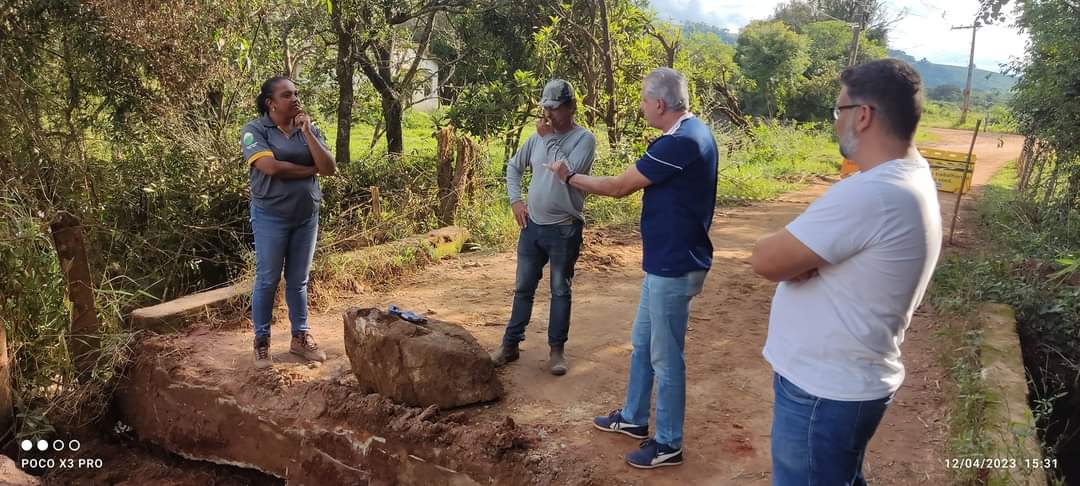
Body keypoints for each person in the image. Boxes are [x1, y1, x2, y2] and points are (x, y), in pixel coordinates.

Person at [749, 58, 942, 485]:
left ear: (863, 115)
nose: (836, 122)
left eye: (839, 110)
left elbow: (765, 259)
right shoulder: (909, 177)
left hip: (823, 392)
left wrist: (802, 259)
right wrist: (806, 258)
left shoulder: (875, 191)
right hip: (844, 386)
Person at [547, 67, 718, 469]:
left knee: (666, 357)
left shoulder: (679, 142)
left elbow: (619, 187)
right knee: (643, 343)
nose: (640, 105)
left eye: (643, 99)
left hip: (674, 265)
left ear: (659, 104)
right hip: (665, 261)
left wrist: (570, 176)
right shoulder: (692, 133)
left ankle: (669, 443)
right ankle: (633, 417)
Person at [489, 79, 597, 376]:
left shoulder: (584, 140)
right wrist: (515, 201)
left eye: (555, 108)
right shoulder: (536, 138)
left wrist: (549, 139)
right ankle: (510, 345)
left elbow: (566, 172)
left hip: (564, 229)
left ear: (571, 107)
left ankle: (556, 350)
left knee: (560, 290)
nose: (548, 114)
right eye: (545, 107)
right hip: (532, 226)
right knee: (523, 287)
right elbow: (514, 167)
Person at [241, 76, 336, 369]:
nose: (295, 98)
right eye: (286, 95)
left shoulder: (308, 128)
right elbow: (270, 167)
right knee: (267, 280)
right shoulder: (255, 130)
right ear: (271, 103)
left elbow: (329, 167)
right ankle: (261, 342)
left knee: (298, 281)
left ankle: (300, 337)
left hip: (306, 215)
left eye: (295, 93)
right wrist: (310, 169)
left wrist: (307, 133)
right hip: (271, 216)